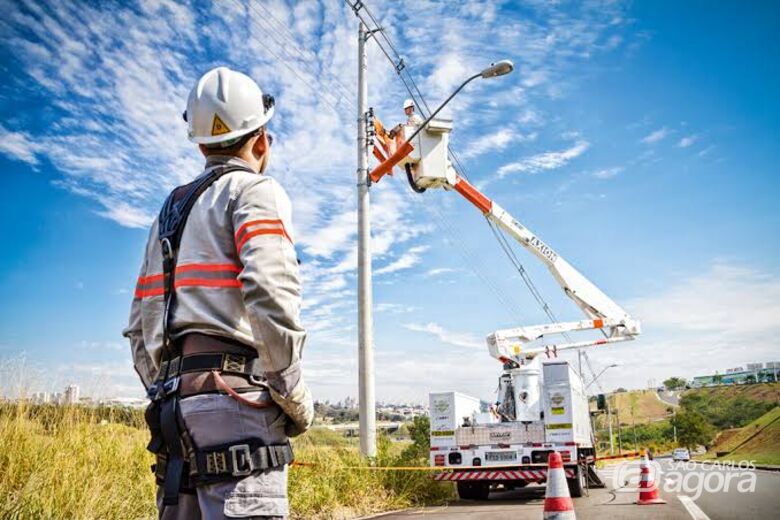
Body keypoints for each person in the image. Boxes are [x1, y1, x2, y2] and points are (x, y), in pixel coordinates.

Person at [123, 66, 313, 519]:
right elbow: (270, 295)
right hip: (238, 405)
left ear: (201, 145)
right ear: (261, 141)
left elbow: (138, 329)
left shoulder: (168, 213)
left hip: (174, 411)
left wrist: (167, 387)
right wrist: (293, 395)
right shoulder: (256, 191)